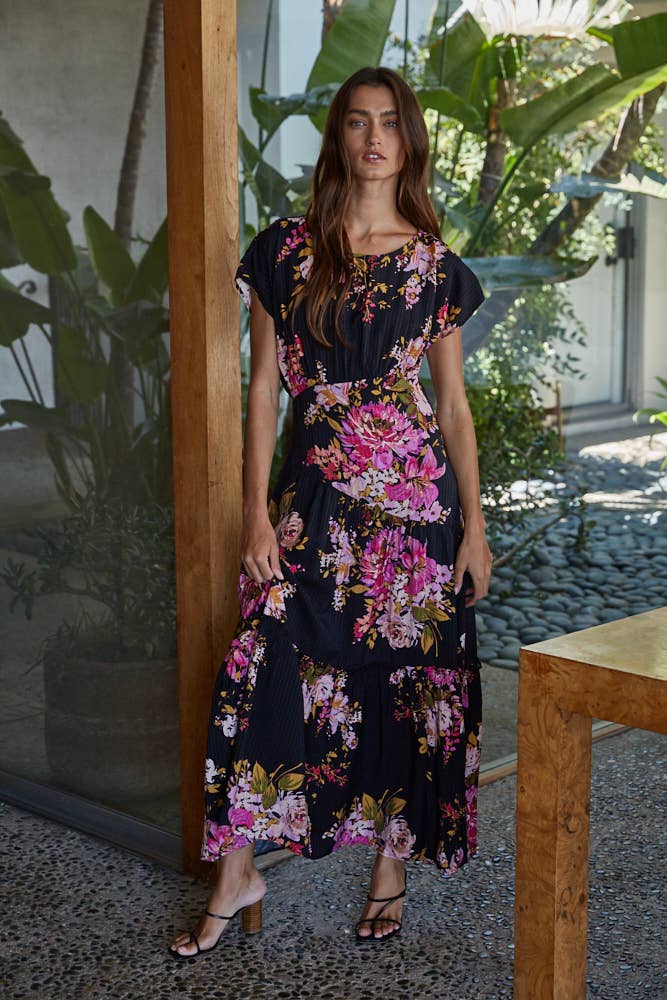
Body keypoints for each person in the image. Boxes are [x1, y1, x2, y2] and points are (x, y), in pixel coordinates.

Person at [169, 64, 492, 959]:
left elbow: (452, 408)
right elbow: (264, 389)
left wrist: (475, 525)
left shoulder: (432, 264)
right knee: (262, 658)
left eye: (391, 122)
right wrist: (252, 516)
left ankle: (390, 866)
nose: (375, 137)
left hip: (415, 513)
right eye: (358, 122)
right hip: (311, 504)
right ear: (339, 138)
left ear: (409, 140)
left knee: (404, 679)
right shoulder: (285, 250)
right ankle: (240, 868)